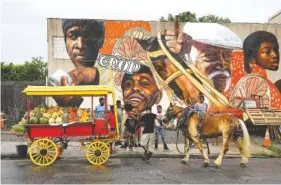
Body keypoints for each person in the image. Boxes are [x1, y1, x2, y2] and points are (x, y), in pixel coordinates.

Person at [52, 19, 105, 107]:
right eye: (72, 36)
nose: (80, 45)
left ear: (101, 40)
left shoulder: (105, 72)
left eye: (89, 35)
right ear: (65, 41)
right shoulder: (67, 79)